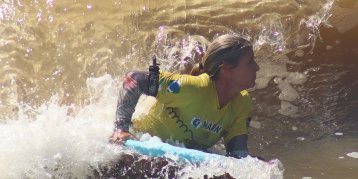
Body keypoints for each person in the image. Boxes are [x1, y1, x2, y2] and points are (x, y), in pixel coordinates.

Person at [109, 35, 260, 158]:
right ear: (227, 68)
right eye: (250, 62)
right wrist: (120, 129)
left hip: (175, 162)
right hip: (136, 151)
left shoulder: (242, 103)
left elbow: (237, 152)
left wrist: (255, 164)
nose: (257, 67)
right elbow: (134, 79)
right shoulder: (194, 88)